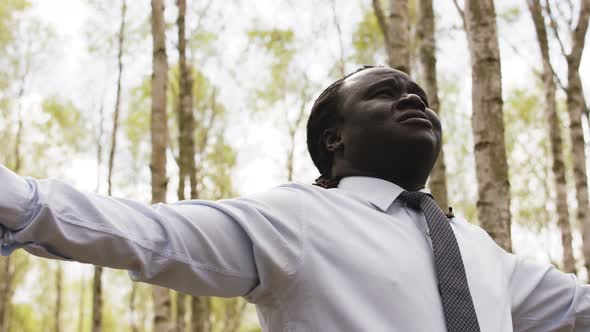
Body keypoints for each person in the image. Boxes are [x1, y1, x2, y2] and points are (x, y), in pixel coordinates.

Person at [0, 66, 588, 331]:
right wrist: (19, 200)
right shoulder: (295, 219)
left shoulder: (483, 252)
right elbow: (151, 235)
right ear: (333, 139)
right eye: (387, 94)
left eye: (420, 95)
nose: (415, 100)